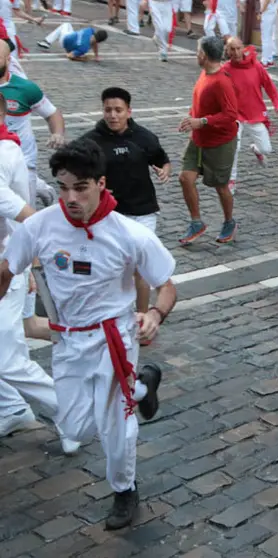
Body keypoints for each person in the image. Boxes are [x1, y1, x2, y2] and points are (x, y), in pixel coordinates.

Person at [0, 138, 174, 530]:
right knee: (75, 428)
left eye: (80, 187)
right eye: (63, 187)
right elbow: (7, 269)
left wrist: (155, 314)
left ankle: (124, 490)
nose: (70, 197)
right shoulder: (38, 226)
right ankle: (144, 386)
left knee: (116, 425)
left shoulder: (130, 234)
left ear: (100, 184)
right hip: (67, 340)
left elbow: (166, 285)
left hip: (115, 340)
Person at [0, 92, 79, 452]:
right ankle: (12, 409)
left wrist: (30, 261)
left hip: (5, 267)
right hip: (13, 261)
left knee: (8, 359)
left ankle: (70, 414)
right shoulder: (10, 147)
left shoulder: (3, 151)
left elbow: (25, 215)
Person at [82, 88, 170, 318]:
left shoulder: (144, 137)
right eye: (108, 110)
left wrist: (164, 170)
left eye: (118, 110)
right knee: (111, 268)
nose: (112, 115)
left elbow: (162, 159)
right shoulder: (90, 142)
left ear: (129, 111)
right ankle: (108, 312)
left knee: (141, 269)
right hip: (108, 215)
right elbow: (78, 173)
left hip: (143, 211)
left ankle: (140, 318)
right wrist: (95, 190)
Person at [178, 36, 240, 245]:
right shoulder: (205, 72)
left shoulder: (222, 82)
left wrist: (201, 121)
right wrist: (191, 120)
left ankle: (229, 221)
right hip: (198, 139)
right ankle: (196, 222)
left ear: (204, 55)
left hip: (220, 142)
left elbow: (231, 114)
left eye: (197, 51)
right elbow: (199, 102)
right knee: (185, 178)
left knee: (220, 186)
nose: (196, 54)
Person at [0, 40, 67, 216]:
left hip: (22, 163)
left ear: (8, 60)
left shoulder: (26, 88)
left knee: (21, 217)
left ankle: (39, 188)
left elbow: (52, 114)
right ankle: (40, 186)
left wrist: (57, 134)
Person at [223, 37, 278, 191]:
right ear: (228, 51)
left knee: (266, 149)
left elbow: (269, 86)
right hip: (235, 116)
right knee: (233, 147)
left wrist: (277, 104)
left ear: (243, 48)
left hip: (255, 114)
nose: (236, 52)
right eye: (232, 49)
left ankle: (256, 150)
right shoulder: (226, 70)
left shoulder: (256, 66)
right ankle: (232, 179)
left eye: (238, 48)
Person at [36, 24, 109, 61]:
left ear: (96, 33)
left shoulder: (90, 30)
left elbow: (69, 55)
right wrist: (82, 58)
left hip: (67, 38)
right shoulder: (84, 48)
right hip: (65, 41)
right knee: (68, 25)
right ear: (100, 41)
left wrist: (82, 58)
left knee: (66, 24)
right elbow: (69, 55)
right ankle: (47, 41)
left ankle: (47, 41)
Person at [260, 0, 278, 67]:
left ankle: (264, 61)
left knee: (265, 38)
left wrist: (260, 12)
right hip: (273, 12)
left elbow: (266, 1)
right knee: (269, 38)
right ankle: (269, 59)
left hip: (267, 13)